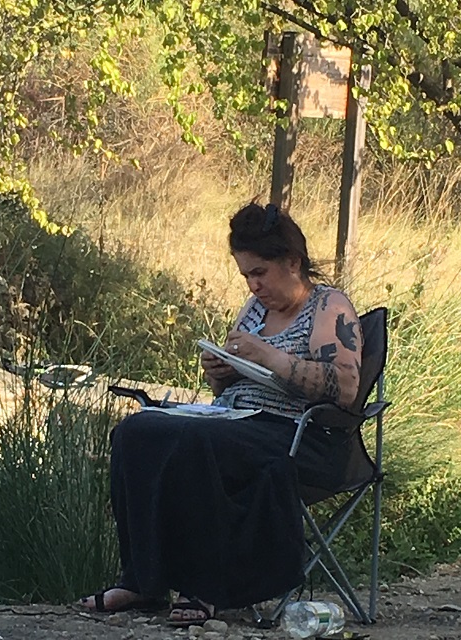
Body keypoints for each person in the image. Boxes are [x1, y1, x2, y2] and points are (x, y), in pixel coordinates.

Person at [79, 201, 363, 626]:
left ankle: (204, 586)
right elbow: (232, 387)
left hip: (297, 433)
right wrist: (221, 373)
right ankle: (142, 579)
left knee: (199, 443)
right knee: (136, 430)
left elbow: (346, 388)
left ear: (292, 262)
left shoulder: (328, 307)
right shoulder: (255, 310)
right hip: (234, 418)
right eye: (246, 275)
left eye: (260, 273)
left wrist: (268, 356)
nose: (253, 285)